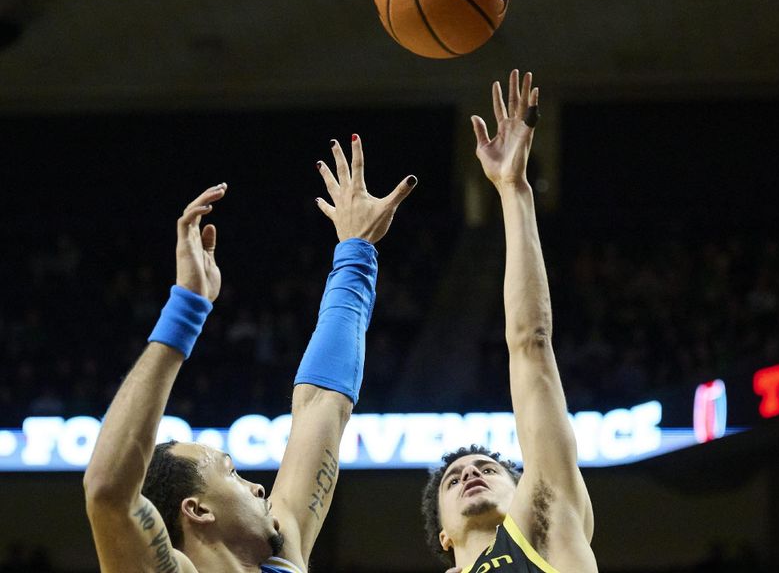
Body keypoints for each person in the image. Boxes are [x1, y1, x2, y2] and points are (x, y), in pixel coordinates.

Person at [83, 135, 416, 573]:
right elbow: (108, 493)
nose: (259, 488)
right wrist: (186, 309)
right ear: (197, 510)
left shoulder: (284, 554)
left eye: (235, 472)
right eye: (233, 473)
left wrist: (356, 251)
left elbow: (321, 404)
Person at [422, 71, 598, 573]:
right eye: (455, 479)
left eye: (488, 469)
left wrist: (513, 189)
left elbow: (530, 343)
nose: (471, 474)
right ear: (444, 536)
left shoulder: (545, 523)